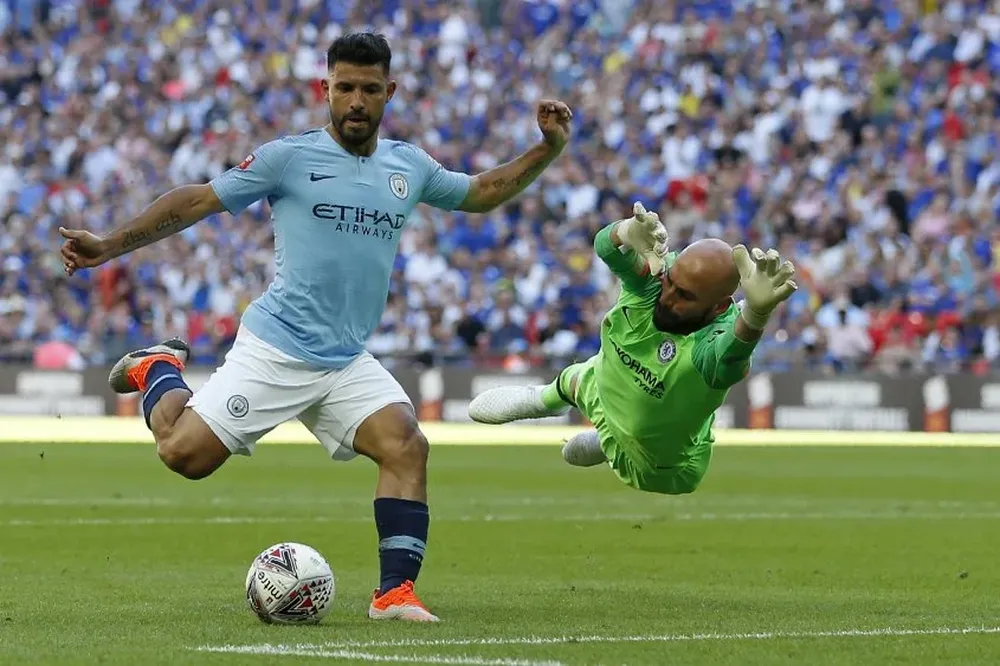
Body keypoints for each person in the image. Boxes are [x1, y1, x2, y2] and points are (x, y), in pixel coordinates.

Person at [57, 32, 572, 623]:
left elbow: (481, 194)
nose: (356, 101)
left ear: (390, 92)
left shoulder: (408, 166)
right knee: (182, 455)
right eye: (345, 87)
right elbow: (197, 200)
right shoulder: (288, 158)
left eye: (370, 90)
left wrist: (546, 150)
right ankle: (158, 367)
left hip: (346, 358)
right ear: (324, 89)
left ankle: (393, 594)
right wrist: (109, 245)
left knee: (407, 444)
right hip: (277, 348)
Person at [469, 203, 796, 496]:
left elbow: (732, 358)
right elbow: (608, 250)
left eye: (684, 296)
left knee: (624, 395)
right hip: (605, 383)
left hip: (661, 464)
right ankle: (545, 399)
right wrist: (625, 230)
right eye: (671, 283)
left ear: (716, 308)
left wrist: (756, 313)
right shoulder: (659, 276)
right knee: (583, 374)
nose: (667, 297)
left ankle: (610, 441)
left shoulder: (712, 344)